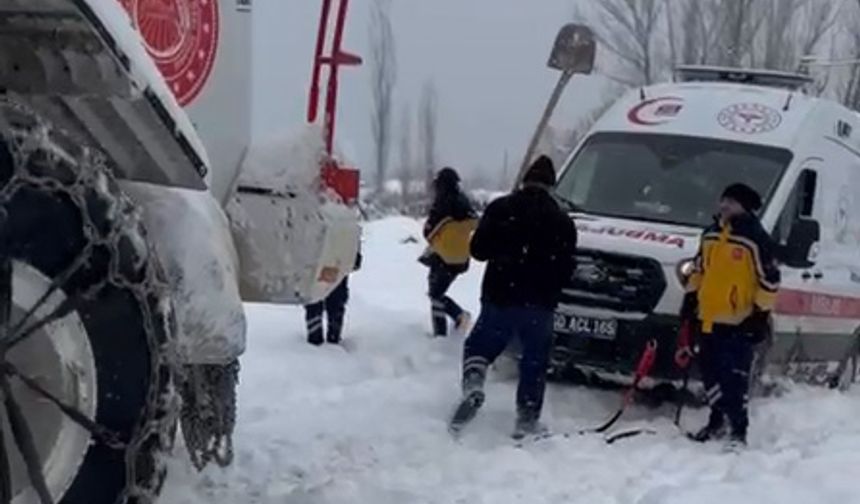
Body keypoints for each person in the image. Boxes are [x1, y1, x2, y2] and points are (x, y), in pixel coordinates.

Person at [447, 155, 578, 439]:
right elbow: (567, 269)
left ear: (524, 180)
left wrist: (504, 248)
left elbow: (478, 250)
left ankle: (474, 384)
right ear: (552, 186)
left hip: (500, 296)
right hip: (539, 304)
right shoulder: (562, 221)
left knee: (480, 346)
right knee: (534, 360)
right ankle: (527, 420)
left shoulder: (500, 208)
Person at [681, 183, 780, 448]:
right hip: (707, 318)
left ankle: (738, 429)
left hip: (738, 322)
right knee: (709, 374)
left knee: (734, 378)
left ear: (745, 207)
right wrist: (690, 298)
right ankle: (716, 420)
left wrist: (759, 315)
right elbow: (699, 269)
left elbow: (769, 280)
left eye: (732, 202)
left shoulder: (756, 239)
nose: (724, 205)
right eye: (723, 199)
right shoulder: (710, 234)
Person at [421, 167, 478, 338]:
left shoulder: (442, 203)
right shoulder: (464, 202)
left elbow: (428, 232)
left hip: (442, 258)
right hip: (461, 259)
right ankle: (457, 318)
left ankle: (444, 331)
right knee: (437, 293)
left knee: (435, 295)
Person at [305, 248, 362, 346]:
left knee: (328, 296)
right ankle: (325, 337)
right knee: (323, 297)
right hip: (327, 254)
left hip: (331, 255)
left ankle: (328, 337)